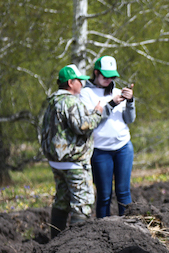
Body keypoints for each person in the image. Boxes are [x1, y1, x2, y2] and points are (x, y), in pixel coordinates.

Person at [41, 64, 103, 236]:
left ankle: (55, 242)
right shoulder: (70, 101)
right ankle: (76, 245)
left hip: (57, 161)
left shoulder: (53, 101)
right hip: (73, 162)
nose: (82, 84)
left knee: (62, 200)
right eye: (79, 81)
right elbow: (82, 126)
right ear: (70, 83)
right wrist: (97, 113)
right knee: (83, 203)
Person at [80, 56, 136, 217]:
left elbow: (129, 119)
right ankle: (103, 233)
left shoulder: (118, 92)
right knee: (104, 195)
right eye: (105, 76)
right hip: (101, 150)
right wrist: (111, 104)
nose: (108, 80)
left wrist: (130, 102)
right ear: (96, 73)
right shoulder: (86, 94)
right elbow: (91, 122)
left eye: (112, 76)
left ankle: (128, 228)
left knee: (123, 192)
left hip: (123, 147)